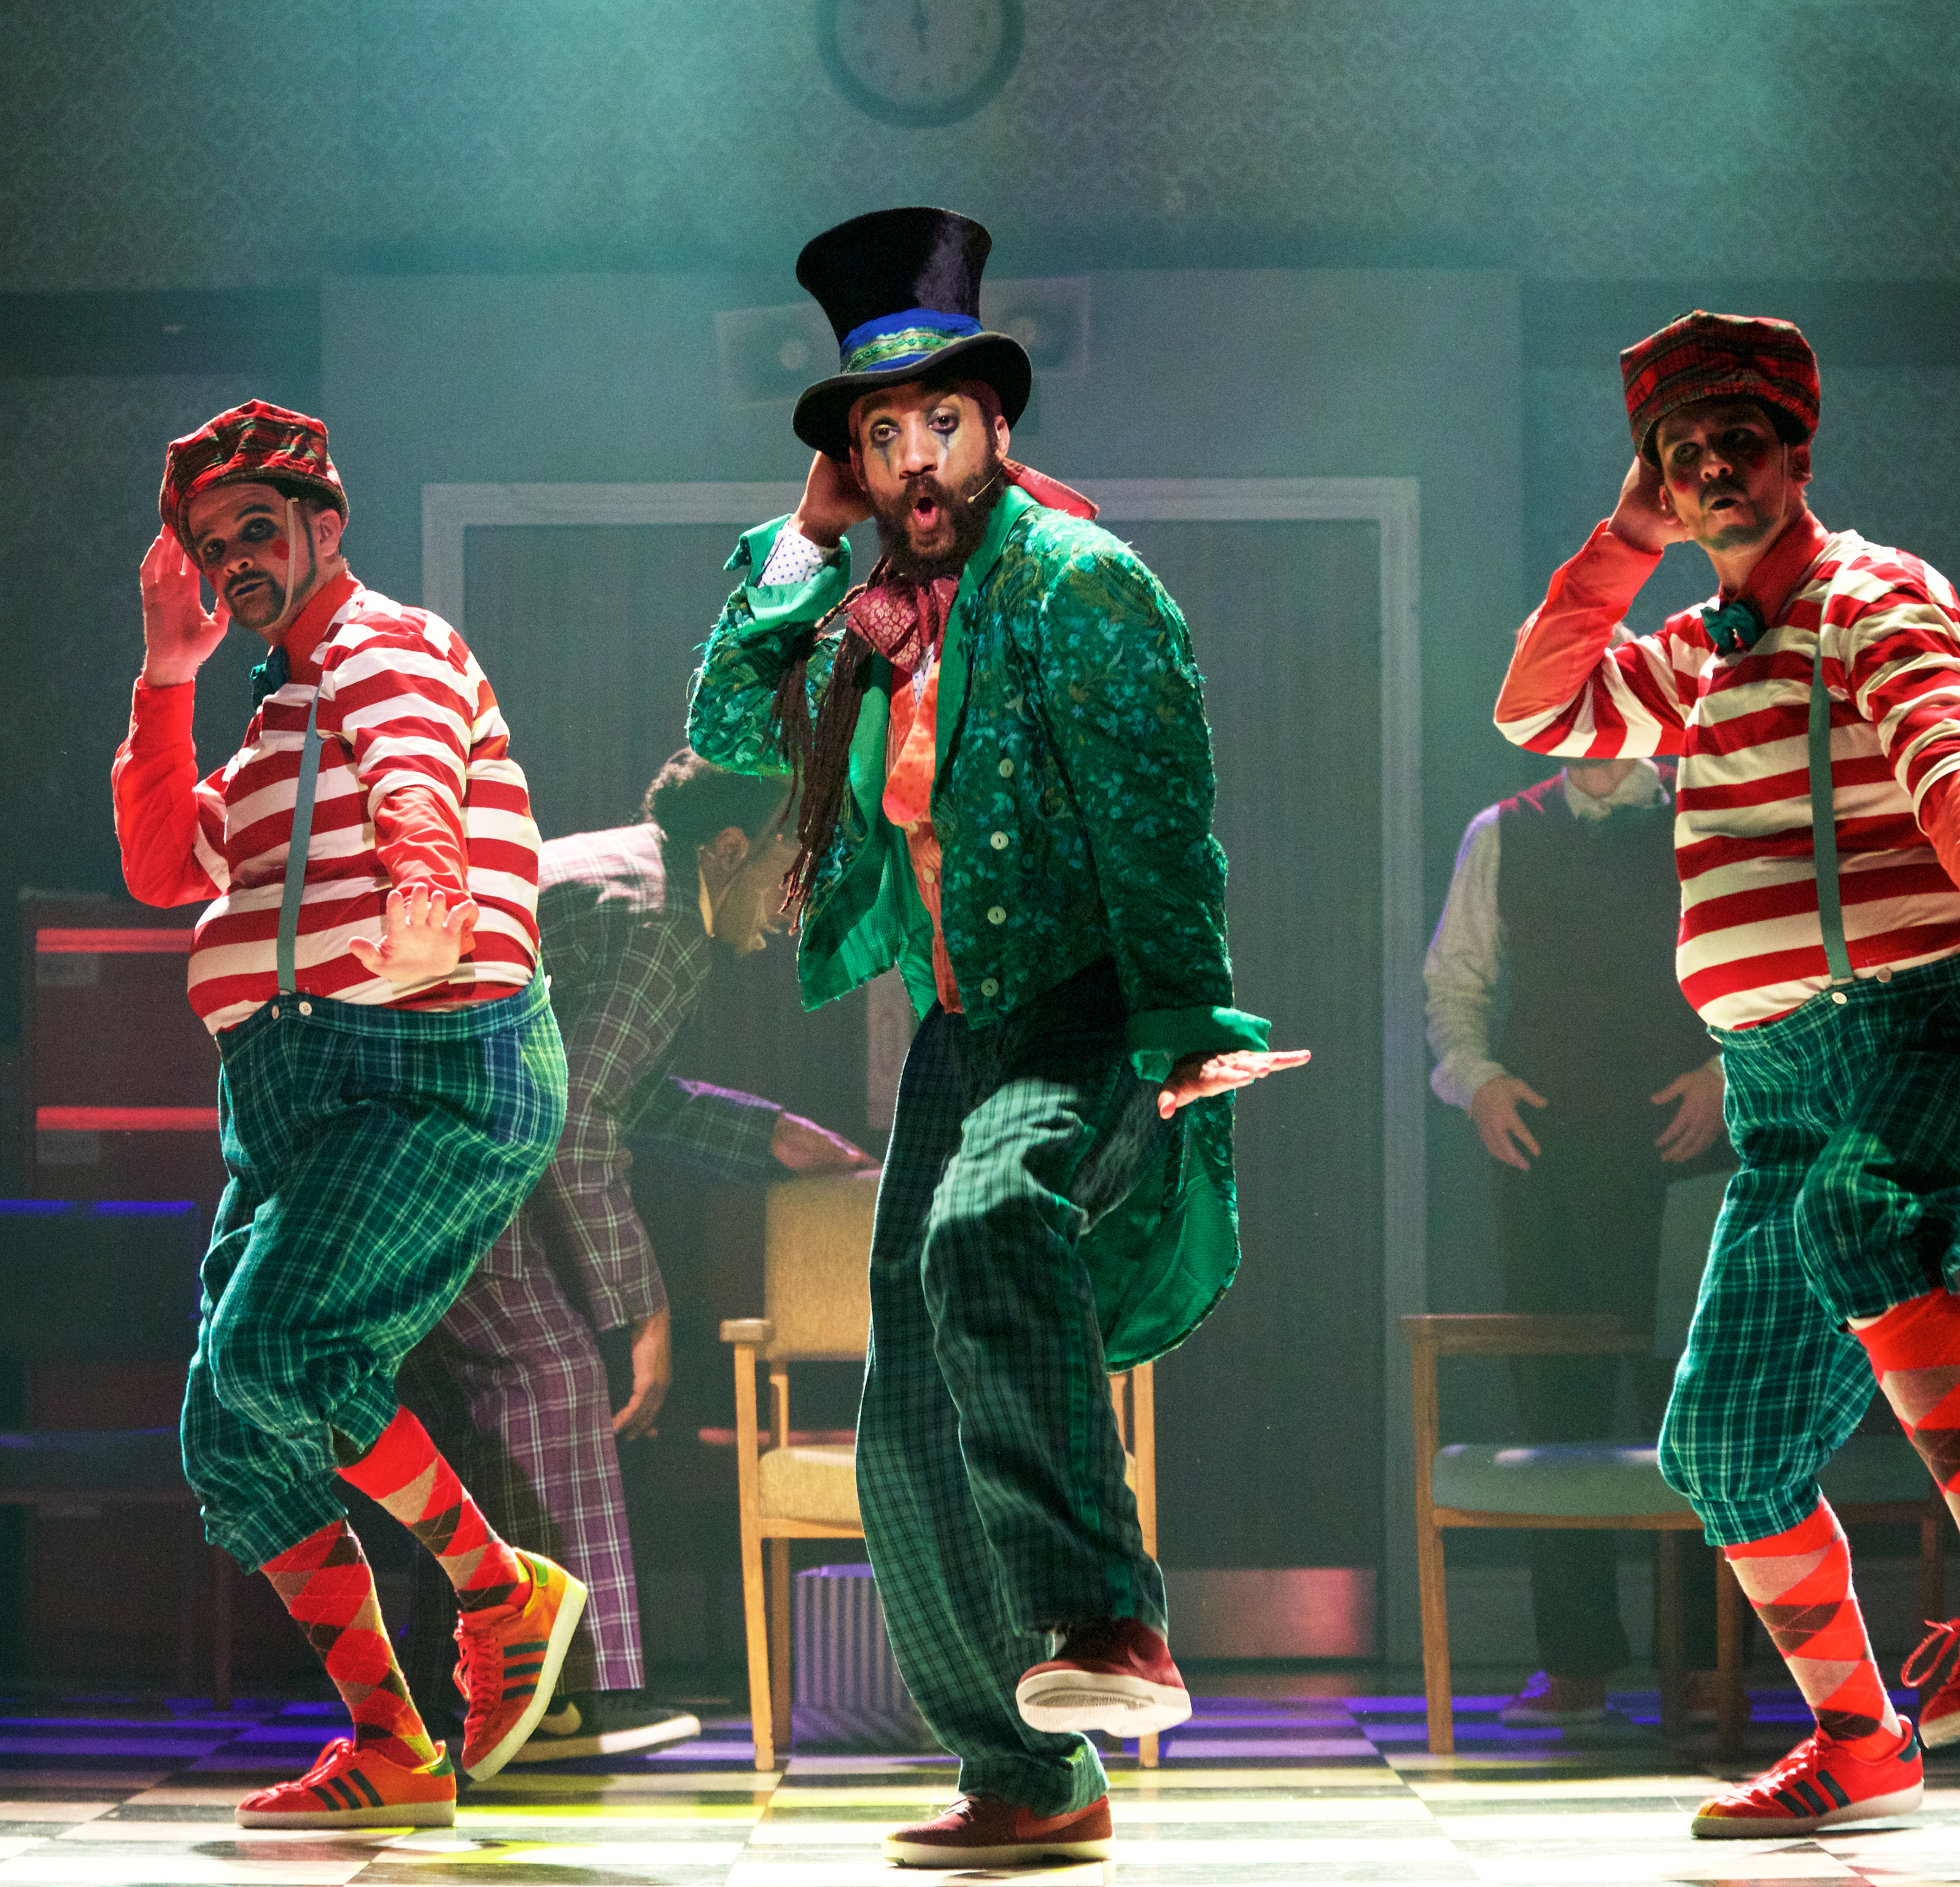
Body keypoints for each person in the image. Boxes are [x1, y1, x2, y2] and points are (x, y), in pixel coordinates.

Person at [687, 207, 1306, 1869]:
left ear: (997, 427)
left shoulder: (1081, 585)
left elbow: (1163, 828)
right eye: (880, 436)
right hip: (961, 1031)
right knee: (899, 1430)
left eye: (939, 423)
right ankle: (1028, 1771)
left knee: (986, 1224)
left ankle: (1108, 1615)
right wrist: (803, 545)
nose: (914, 461)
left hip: (1090, 1005)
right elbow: (728, 722)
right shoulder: (879, 609)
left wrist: (1181, 1037)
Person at [1496, 312, 1960, 1837]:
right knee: (1717, 1446)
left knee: (1858, 1217)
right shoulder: (1694, 655)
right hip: (1778, 1085)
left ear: (1796, 453)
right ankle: (1858, 1740)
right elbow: (1535, 706)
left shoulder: (1869, 596)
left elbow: (1946, 751)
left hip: (1939, 1023)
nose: (1714, 471)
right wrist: (1623, 539)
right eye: (1682, 454)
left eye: (1738, 443)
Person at [113, 401, 583, 1831]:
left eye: (256, 530)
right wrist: (167, 675)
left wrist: (428, 895)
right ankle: (393, 1742)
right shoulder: (275, 728)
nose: (235, 563)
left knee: (281, 1352)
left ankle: (500, 1590)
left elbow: (411, 765)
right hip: (290, 1091)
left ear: (326, 525)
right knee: (231, 1430)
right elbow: (160, 863)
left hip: (415, 1061)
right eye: (212, 547)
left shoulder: (386, 646)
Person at [399, 751, 876, 1762]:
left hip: (415, 1136)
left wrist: (767, 1134)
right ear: (731, 847)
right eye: (791, 862)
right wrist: (643, 1309)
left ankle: (506, 1696)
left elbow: (606, 1086)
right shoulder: (663, 923)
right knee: (551, 1371)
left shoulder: (631, 880)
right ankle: (557, 1704)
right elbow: (578, 1120)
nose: (796, 899)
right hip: (433, 1144)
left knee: (525, 1387)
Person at [1424, 749, 1727, 1726]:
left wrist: (1727, 1075)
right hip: (1547, 1157)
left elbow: (1770, 975)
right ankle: (1576, 1662)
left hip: (1684, 1153)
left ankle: (1708, 1659)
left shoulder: (1707, 818)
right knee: (1555, 1400)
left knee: (1699, 1404)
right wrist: (1481, 1082)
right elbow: (1456, 985)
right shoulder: (1503, 830)